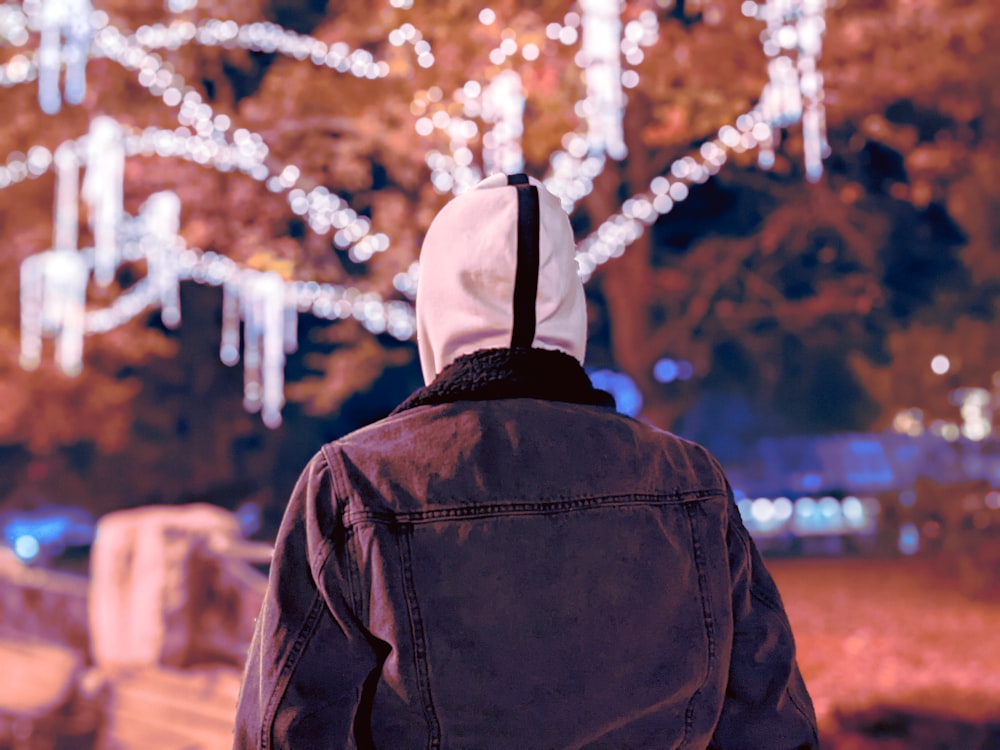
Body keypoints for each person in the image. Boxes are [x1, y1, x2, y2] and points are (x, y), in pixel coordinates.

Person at [233, 173, 818, 749]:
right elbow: (769, 722)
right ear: (572, 307)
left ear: (435, 310)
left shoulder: (355, 483)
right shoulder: (689, 481)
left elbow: (287, 728)